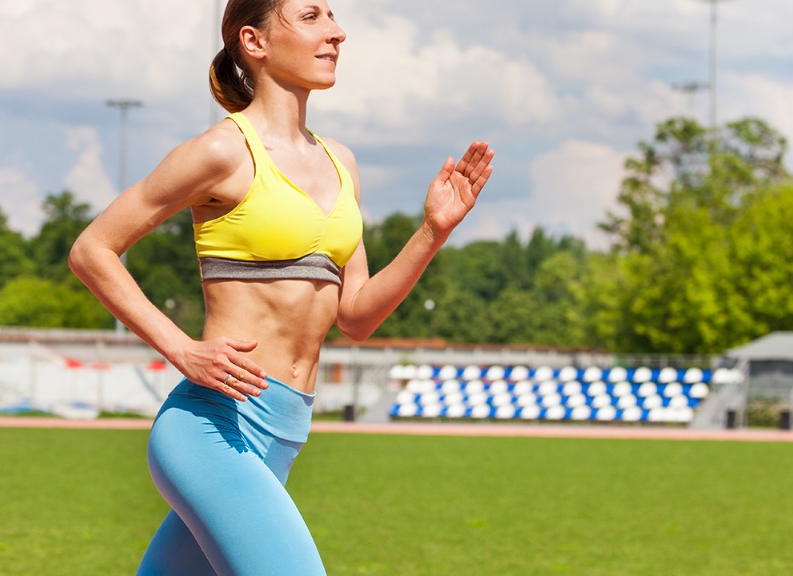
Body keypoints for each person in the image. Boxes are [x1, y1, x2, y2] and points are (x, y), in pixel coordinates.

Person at [69, 0, 493, 574]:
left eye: (334, 17)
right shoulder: (222, 151)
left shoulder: (340, 162)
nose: (337, 32)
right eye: (312, 16)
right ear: (255, 40)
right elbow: (92, 249)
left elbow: (357, 316)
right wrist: (181, 348)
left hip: (283, 434)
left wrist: (432, 232)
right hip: (212, 428)